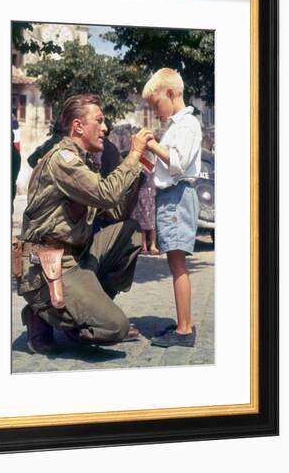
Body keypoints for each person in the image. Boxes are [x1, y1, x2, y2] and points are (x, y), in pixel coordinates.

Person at [18, 94, 151, 354]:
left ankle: (86, 311)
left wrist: (136, 178)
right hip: (49, 264)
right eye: (99, 121)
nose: (105, 128)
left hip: (76, 257)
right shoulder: (63, 160)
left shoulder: (83, 161)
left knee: (130, 232)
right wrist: (133, 154)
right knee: (116, 327)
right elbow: (105, 193)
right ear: (78, 126)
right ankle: (43, 313)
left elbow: (115, 212)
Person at [142, 68, 202, 347]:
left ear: (169, 93)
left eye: (156, 105)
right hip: (171, 197)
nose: (155, 112)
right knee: (173, 261)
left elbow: (176, 163)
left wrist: (153, 144)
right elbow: (164, 167)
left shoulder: (188, 124)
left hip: (178, 197)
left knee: (178, 263)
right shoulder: (177, 126)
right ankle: (183, 322)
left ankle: (185, 330)